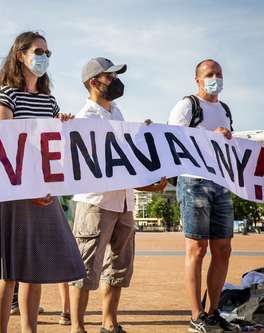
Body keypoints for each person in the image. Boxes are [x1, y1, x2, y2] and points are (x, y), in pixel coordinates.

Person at [0, 31, 86, 333]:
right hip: (15, 193)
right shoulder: (5, 97)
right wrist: (27, 187)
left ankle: (29, 330)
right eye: (39, 50)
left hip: (44, 192)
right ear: (20, 55)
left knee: (35, 268)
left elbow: (54, 148)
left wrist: (64, 126)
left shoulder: (49, 101)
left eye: (47, 52)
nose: (44, 57)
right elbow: (1, 145)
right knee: (8, 271)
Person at [69, 57, 168, 333]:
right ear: (93, 82)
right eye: (109, 77)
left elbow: (125, 162)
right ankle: (78, 327)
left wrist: (144, 139)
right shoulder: (84, 119)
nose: (115, 81)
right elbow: (95, 167)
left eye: (114, 76)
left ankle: (109, 322)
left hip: (124, 202)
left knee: (118, 267)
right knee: (85, 268)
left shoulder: (118, 114)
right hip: (95, 202)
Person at [168, 59, 239, 333]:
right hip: (194, 182)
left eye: (219, 74)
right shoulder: (188, 105)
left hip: (221, 183)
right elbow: (173, 140)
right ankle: (196, 315)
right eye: (209, 74)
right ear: (197, 80)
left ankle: (213, 312)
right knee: (197, 249)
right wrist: (211, 135)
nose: (215, 78)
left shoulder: (224, 109)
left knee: (223, 249)